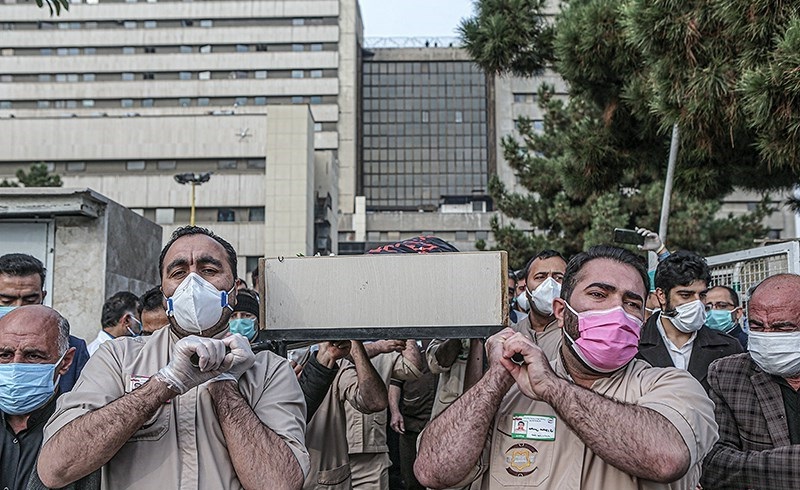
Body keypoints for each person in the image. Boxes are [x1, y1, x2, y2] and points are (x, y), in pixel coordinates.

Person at [415, 245, 718, 489]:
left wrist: (553, 387)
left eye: (631, 303)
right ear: (561, 311)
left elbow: (666, 459)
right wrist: (497, 376)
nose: (616, 310)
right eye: (599, 294)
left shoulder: (673, 386)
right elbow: (433, 471)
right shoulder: (512, 391)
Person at [37, 226, 309, 489]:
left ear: (234, 290)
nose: (193, 283)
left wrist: (225, 383)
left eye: (209, 270)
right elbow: (56, 469)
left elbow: (279, 484)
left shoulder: (271, 371)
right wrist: (163, 384)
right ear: (164, 292)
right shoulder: (118, 358)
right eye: (179, 272)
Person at [701, 273, 800, 488]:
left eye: (782, 328)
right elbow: (713, 464)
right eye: (756, 326)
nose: (767, 336)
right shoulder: (728, 375)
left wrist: (751, 465)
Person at [637, 250, 742, 391]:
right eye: (686, 295)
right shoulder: (634, 344)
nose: (697, 303)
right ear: (661, 295)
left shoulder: (729, 347)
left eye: (702, 295)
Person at [0, 305, 79, 490]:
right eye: (5, 355)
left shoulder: (79, 428)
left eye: (33, 356)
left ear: (65, 361)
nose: (15, 367)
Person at [301, 339, 389, 490]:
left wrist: (355, 346)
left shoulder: (336, 365)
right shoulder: (263, 365)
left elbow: (375, 402)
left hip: (324, 481)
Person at [0, 253, 89, 393]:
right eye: (7, 301)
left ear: (43, 297)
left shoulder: (71, 348)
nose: (19, 307)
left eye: (30, 300)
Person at [346, 340, 423, 489]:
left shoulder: (387, 351)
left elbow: (413, 368)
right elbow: (334, 354)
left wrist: (408, 327)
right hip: (336, 449)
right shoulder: (381, 346)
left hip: (374, 449)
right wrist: (379, 347)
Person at [511, 249, 567, 360]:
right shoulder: (513, 332)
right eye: (540, 277)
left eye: (558, 278)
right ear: (526, 289)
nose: (550, 285)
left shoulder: (575, 337)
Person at [87, 291, 142, 356]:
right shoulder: (100, 353)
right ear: (126, 320)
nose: (142, 324)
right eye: (139, 318)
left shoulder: (120, 347)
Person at [704, 284, 748, 349]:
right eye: (707, 308)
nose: (713, 311)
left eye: (722, 306)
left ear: (738, 313)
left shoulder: (745, 345)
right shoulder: (699, 342)